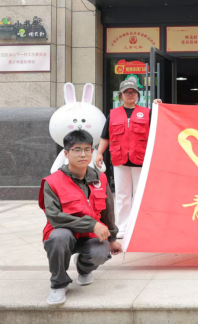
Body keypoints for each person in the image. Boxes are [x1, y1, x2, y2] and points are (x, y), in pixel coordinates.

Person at [39, 130, 122, 306]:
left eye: (87, 149)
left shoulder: (100, 178)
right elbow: (54, 217)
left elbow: (108, 211)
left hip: (89, 236)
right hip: (64, 233)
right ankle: (59, 284)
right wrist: (91, 224)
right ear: (66, 153)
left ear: (92, 152)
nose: (83, 154)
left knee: (101, 251)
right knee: (59, 237)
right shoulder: (52, 182)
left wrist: (112, 238)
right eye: (77, 150)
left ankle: (84, 268)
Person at [96, 79, 161, 240]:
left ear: (138, 95)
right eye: (127, 92)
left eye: (133, 92)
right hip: (120, 160)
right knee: (122, 195)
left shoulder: (147, 112)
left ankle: (140, 226)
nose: (130, 95)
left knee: (140, 194)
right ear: (121, 95)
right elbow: (106, 136)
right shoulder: (113, 114)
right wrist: (99, 153)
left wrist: (159, 107)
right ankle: (123, 227)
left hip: (141, 159)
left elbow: (158, 129)